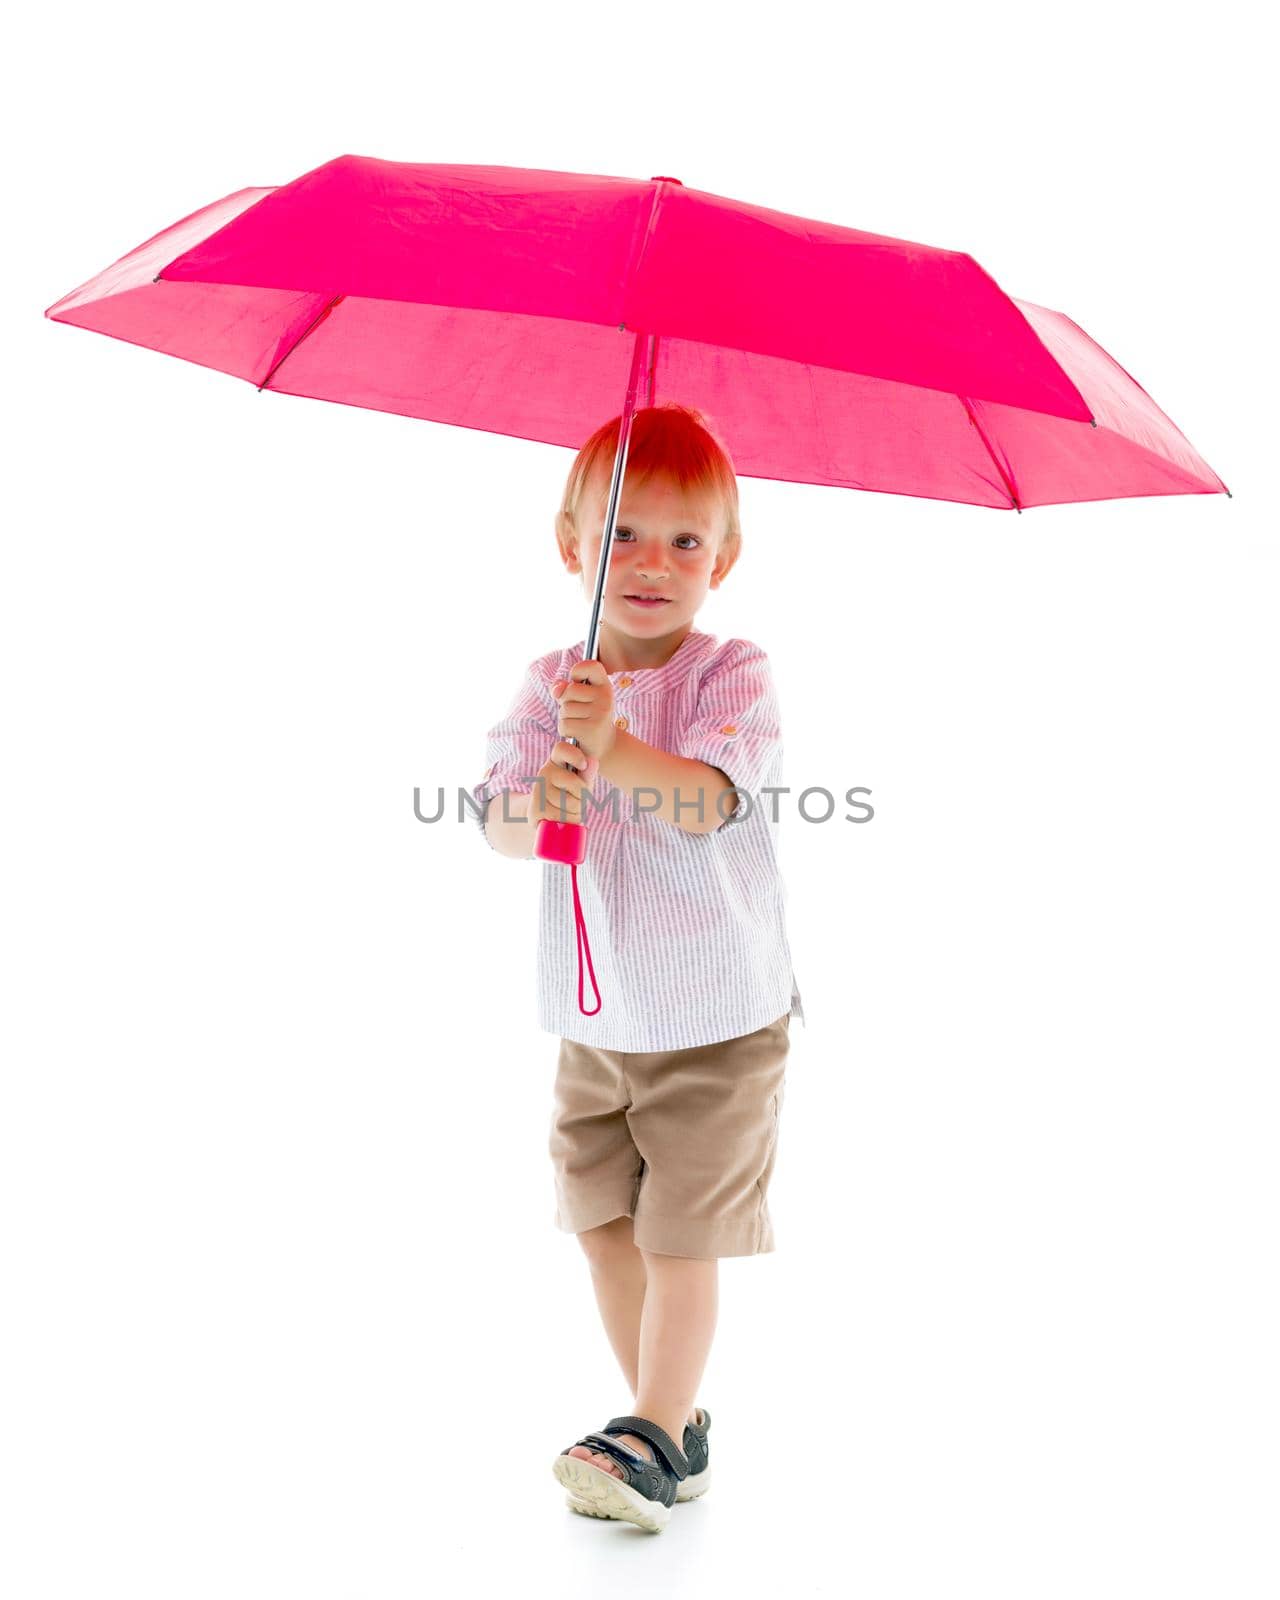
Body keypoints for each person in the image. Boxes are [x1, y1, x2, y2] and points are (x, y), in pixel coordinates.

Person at [472, 402, 804, 1533]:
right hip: (592, 1011)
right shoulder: (547, 680)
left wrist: (615, 747)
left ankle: (650, 1431)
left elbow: (708, 800)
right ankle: (666, 1428)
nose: (650, 563)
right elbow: (498, 825)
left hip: (713, 1015)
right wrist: (541, 801)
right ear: (569, 545)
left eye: (683, 541)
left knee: (680, 1231)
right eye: (621, 534)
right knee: (605, 1221)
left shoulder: (730, 674)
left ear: (724, 558)